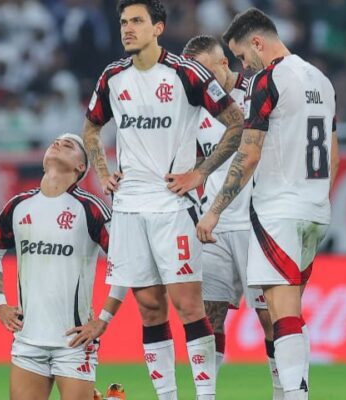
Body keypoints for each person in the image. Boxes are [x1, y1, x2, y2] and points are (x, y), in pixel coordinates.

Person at [82, 1, 245, 399]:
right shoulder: (113, 76)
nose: (127, 29)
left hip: (172, 206)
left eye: (136, 21)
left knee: (189, 307)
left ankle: (205, 396)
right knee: (150, 309)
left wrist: (200, 173)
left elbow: (236, 123)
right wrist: (103, 173)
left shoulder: (186, 73)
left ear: (158, 27)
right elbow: (90, 128)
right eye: (123, 22)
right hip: (129, 208)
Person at [197, 8, 338, 400]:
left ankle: (294, 395)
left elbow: (250, 152)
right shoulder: (321, 80)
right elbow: (333, 148)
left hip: (278, 210)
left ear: (257, 43)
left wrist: (215, 209)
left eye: (243, 56)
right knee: (288, 308)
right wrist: (319, 196)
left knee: (282, 312)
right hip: (315, 208)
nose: (244, 65)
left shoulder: (267, 79)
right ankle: (291, 392)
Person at [0, 133, 123, 400]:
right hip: (27, 341)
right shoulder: (19, 205)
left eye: (70, 145)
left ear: (80, 167)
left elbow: (126, 263)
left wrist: (103, 320)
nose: (59, 143)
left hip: (73, 342)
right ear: (44, 161)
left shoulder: (90, 208)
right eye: (56, 142)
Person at [180, 34, 281, 396]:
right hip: (213, 228)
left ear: (225, 63)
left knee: (271, 318)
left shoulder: (259, 94)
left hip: (258, 225)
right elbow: (191, 164)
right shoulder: (193, 109)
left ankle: (282, 391)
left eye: (205, 71)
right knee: (209, 315)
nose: (199, 81)